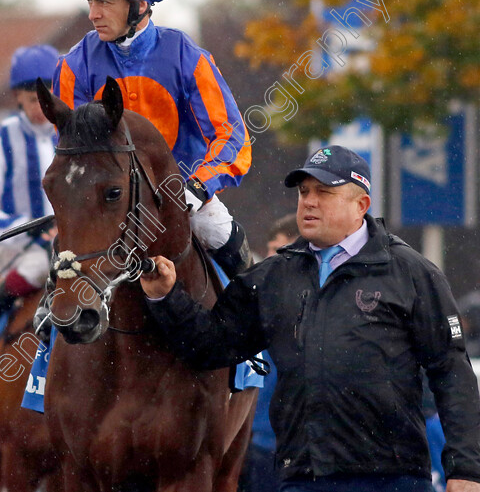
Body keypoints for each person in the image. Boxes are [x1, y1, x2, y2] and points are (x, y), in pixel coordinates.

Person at [140, 145, 480, 492]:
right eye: (304, 192)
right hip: (303, 478)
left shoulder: (411, 273)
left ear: (360, 205)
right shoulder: (273, 276)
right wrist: (165, 296)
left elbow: (452, 373)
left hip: (393, 477)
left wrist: (467, 468)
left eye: (324, 192)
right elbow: (212, 346)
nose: (309, 201)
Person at [55, 0, 252, 277]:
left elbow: (232, 137)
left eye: (103, 1)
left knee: (227, 244)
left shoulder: (187, 57)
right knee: (60, 273)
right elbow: (71, 151)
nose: (93, 14)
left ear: (139, 3)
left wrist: (198, 187)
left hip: (184, 196)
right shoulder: (74, 66)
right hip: (106, 205)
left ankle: (255, 316)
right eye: (90, 1)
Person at [0, 44, 59, 355]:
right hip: (20, 250)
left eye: (49, 98)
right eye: (33, 100)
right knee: (42, 265)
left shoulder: (74, 138)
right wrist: (26, 228)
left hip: (69, 243)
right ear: (17, 97)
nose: (42, 107)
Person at [238, 214, 299, 492]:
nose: (270, 258)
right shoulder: (258, 300)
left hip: (300, 448)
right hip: (257, 441)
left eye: (279, 250)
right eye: (270, 250)